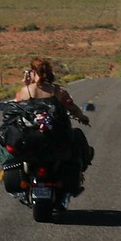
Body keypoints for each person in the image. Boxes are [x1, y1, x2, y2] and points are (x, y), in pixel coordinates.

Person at [15, 57, 93, 195]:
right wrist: (83, 118)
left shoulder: (25, 91)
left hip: (30, 138)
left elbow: (14, 107)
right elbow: (72, 108)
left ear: (32, 72)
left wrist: (25, 84)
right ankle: (79, 172)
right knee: (77, 135)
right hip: (56, 138)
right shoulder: (58, 91)